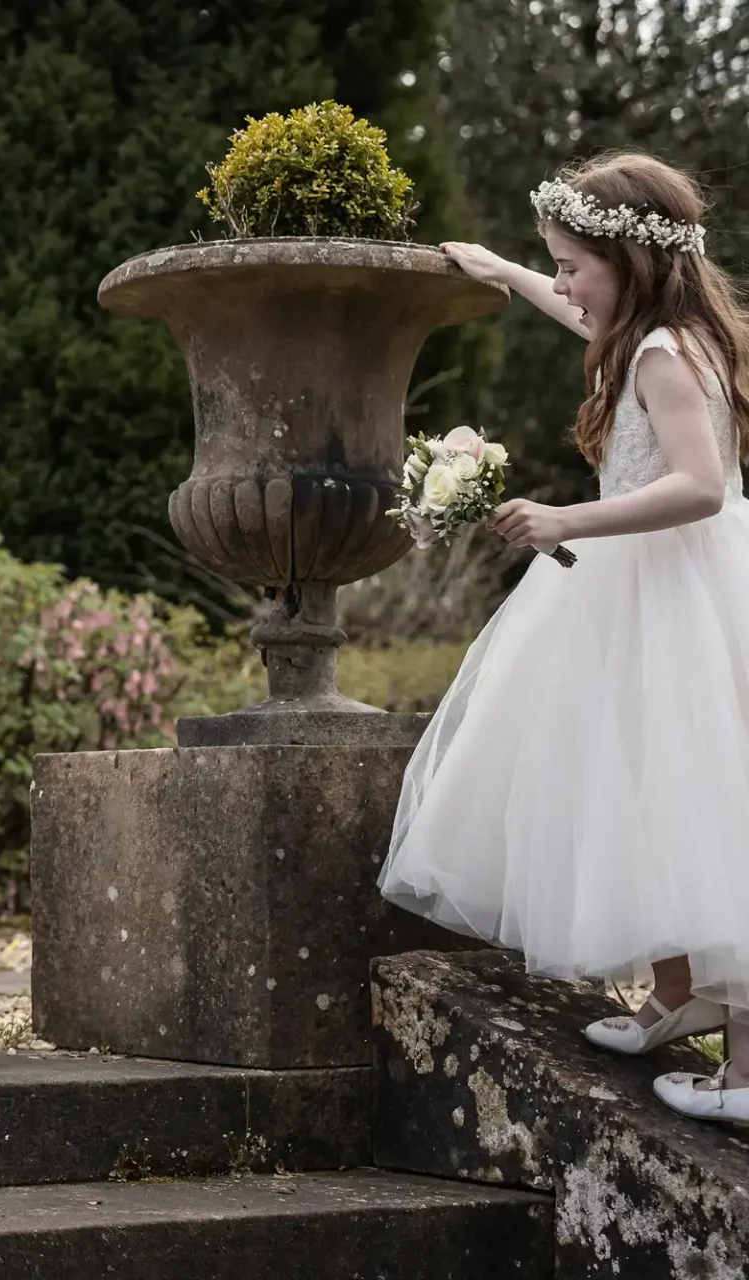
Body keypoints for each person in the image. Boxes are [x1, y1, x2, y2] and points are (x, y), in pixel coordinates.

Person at [381, 153, 749, 1121]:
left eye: (574, 264)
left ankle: (747, 1071)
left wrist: (563, 519)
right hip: (646, 589)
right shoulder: (646, 327)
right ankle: (678, 991)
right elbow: (577, 311)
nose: (567, 284)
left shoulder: (666, 353)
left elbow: (702, 484)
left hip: (672, 587)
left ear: (630, 259)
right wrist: (505, 273)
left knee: (701, 799)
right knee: (638, 784)